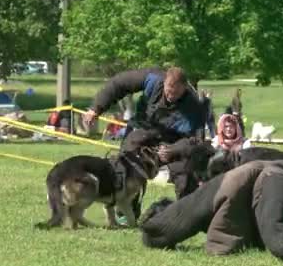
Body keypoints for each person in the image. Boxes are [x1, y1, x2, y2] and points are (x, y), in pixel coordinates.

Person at [139, 160, 283, 261]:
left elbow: (225, 233)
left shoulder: (199, 203)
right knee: (273, 237)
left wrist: (218, 246)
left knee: (281, 246)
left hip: (273, 177)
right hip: (273, 177)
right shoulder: (200, 201)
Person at [83, 66, 205, 201]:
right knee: (126, 166)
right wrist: (96, 108)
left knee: (187, 173)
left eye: (176, 94)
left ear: (184, 88)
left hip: (172, 141)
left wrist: (174, 150)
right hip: (142, 130)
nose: (171, 97)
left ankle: (185, 213)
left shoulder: (194, 104)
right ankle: (125, 213)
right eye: (168, 92)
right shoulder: (153, 78)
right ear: (164, 82)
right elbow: (118, 84)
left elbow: (196, 140)